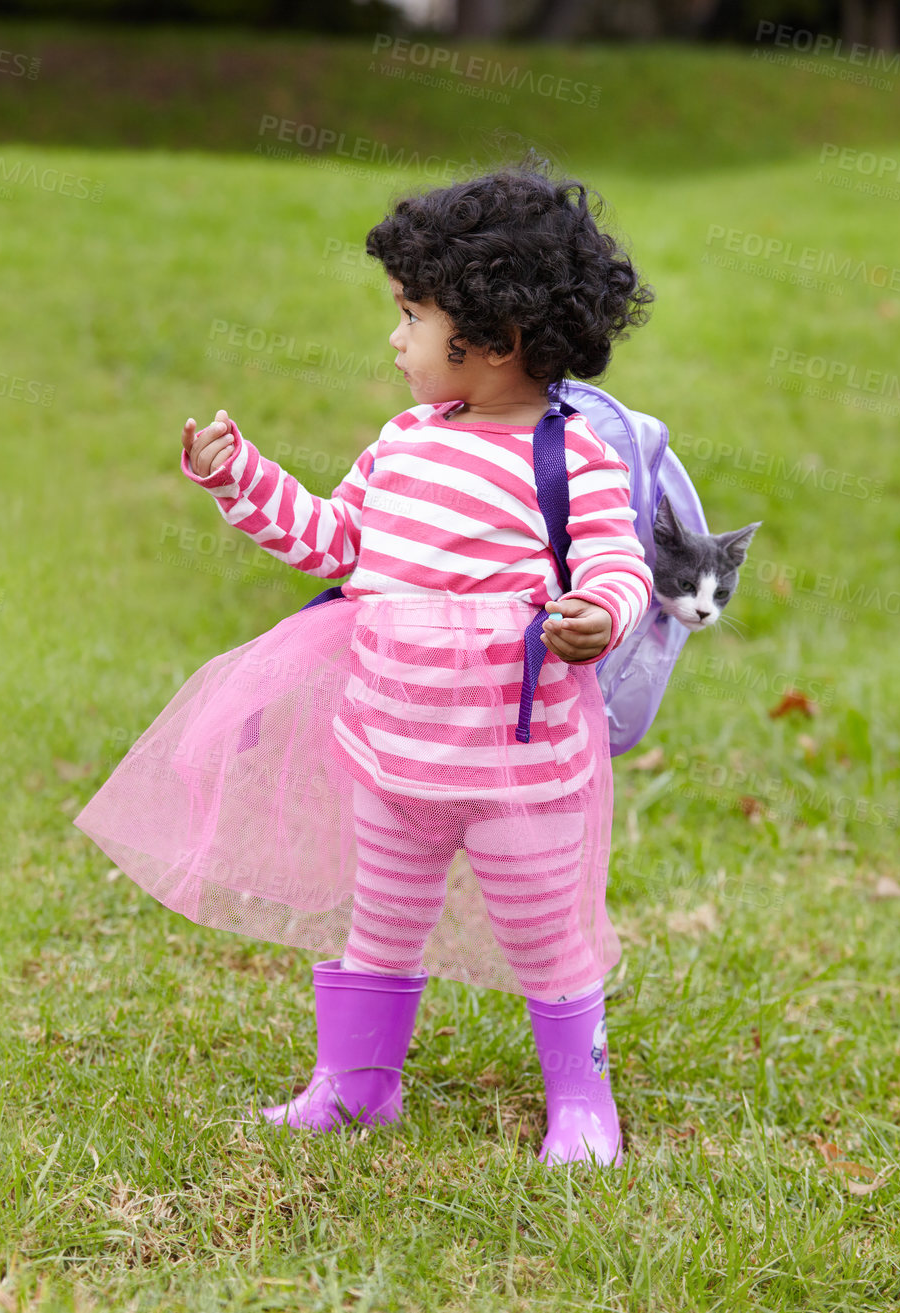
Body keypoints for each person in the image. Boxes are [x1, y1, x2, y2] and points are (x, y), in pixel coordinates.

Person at [73, 158, 655, 1166]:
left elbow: (616, 563)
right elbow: (338, 545)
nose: (394, 338)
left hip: (518, 766)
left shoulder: (572, 460)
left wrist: (596, 615)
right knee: (378, 923)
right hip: (391, 753)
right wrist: (237, 476)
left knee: (547, 938)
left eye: (411, 315)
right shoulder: (402, 443)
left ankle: (580, 1101)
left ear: (495, 340)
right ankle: (353, 1085)